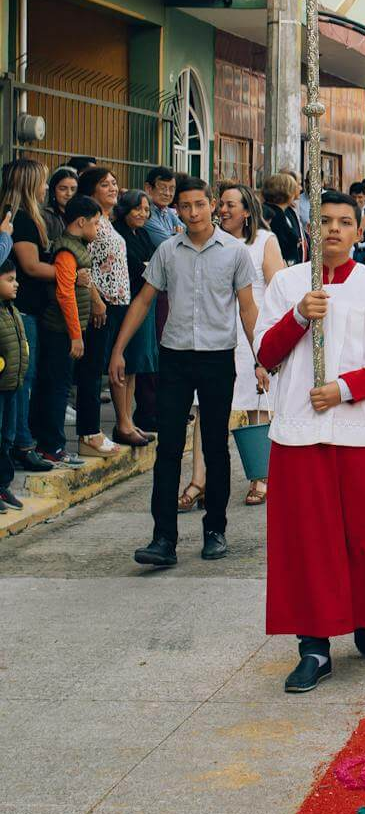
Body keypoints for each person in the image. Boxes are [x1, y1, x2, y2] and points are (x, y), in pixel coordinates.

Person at [255, 190, 365, 695]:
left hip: (356, 430)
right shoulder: (286, 285)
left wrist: (344, 389)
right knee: (306, 541)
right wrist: (300, 315)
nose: (334, 230)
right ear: (311, 229)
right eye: (324, 221)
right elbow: (266, 352)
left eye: (345, 222)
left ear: (357, 232)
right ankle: (314, 645)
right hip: (299, 430)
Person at [111, 177, 259, 571]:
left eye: (199, 204)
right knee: (169, 448)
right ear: (176, 209)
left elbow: (247, 309)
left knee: (214, 445)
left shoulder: (234, 253)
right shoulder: (166, 251)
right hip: (173, 358)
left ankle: (215, 530)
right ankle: (164, 539)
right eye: (185, 206)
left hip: (216, 359)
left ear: (212, 205)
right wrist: (119, 349)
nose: (193, 213)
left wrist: (262, 358)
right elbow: (144, 301)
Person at [217, 182, 284, 508]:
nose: (224, 210)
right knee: (209, 405)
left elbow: (278, 287)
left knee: (258, 407)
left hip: (253, 329)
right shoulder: (212, 241)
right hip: (218, 331)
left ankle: (261, 477)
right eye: (222, 204)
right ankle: (200, 480)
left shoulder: (263, 241)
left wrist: (270, 338)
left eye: (231, 205)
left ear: (247, 211)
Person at [31, 197, 101, 468]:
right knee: (57, 388)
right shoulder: (67, 252)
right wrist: (76, 334)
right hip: (60, 331)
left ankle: (51, 443)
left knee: (58, 385)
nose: (97, 228)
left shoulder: (77, 247)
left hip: (67, 329)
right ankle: (52, 446)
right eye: (95, 223)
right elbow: (65, 295)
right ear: (81, 222)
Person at [3, 160, 57, 474]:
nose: (46, 188)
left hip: (26, 309)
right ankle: (22, 444)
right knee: (23, 379)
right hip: (22, 311)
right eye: (43, 182)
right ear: (29, 184)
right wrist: (68, 274)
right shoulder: (21, 219)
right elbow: (31, 265)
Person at [76, 164, 130, 457]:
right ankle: (89, 434)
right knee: (92, 370)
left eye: (114, 183)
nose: (113, 188)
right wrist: (96, 300)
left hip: (117, 303)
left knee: (105, 367)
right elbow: (84, 263)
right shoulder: (91, 221)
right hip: (101, 305)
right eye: (105, 184)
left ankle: (95, 431)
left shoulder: (108, 220)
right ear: (92, 190)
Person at [112, 190, 159, 442]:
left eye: (145, 209)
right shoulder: (116, 232)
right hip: (126, 305)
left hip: (143, 301)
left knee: (135, 366)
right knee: (123, 363)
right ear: (125, 210)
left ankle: (128, 420)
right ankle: (122, 422)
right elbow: (136, 266)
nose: (142, 214)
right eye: (137, 209)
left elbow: (153, 262)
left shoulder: (141, 233)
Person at [0, 259, 30, 512]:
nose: (16, 284)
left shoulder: (11, 308)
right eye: (9, 280)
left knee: (7, 438)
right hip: (1, 384)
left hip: (12, 385)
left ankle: (3, 486)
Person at [262, 170, 307, 266]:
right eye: (295, 187)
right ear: (287, 192)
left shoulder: (280, 212)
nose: (300, 189)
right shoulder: (273, 216)